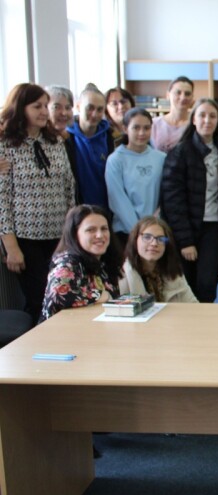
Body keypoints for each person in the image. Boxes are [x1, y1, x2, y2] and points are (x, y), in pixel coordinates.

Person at [0, 83, 76, 321]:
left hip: (58, 236)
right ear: (20, 108)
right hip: (26, 238)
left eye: (45, 105)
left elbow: (69, 187)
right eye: (37, 106)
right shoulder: (6, 145)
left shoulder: (55, 141)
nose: (44, 111)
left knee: (62, 297)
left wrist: (70, 234)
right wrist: (11, 247)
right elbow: (2, 199)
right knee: (39, 300)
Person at [161, 98, 218, 303]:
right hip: (187, 228)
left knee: (208, 282)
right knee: (186, 284)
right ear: (193, 120)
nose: (207, 120)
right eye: (202, 115)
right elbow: (172, 200)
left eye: (212, 116)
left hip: (213, 225)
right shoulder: (180, 152)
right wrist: (186, 241)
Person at [40, 204, 123, 321]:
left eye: (104, 229)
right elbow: (58, 293)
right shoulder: (68, 261)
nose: (100, 235)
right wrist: (101, 295)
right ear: (75, 234)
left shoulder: (105, 261)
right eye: (91, 230)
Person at [105, 108, 166, 240]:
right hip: (126, 232)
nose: (141, 133)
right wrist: (139, 232)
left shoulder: (161, 158)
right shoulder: (115, 160)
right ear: (125, 129)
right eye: (136, 128)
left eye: (146, 128)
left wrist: (153, 226)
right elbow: (118, 200)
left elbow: (166, 194)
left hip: (155, 230)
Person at [119, 216, 197, 303]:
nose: (154, 243)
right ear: (135, 240)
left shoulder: (173, 271)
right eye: (147, 237)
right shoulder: (122, 274)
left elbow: (193, 305)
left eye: (160, 239)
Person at [66, 85, 115, 209]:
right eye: (90, 108)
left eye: (100, 109)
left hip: (106, 208)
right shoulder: (65, 138)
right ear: (78, 106)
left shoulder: (113, 138)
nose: (94, 114)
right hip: (76, 208)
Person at [150, 76, 194, 153]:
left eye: (187, 94)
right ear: (168, 95)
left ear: (192, 97)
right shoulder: (154, 124)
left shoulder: (195, 125)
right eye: (178, 93)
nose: (183, 97)